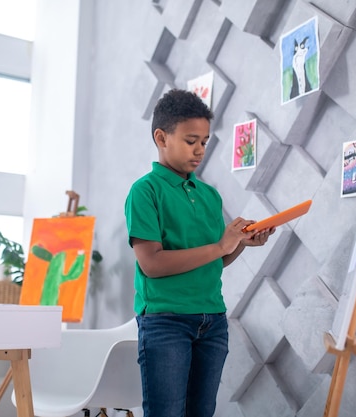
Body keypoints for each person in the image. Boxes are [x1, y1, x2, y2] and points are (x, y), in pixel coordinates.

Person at [124, 88, 275, 417]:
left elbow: (215, 261)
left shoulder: (209, 195)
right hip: (166, 322)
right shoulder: (145, 191)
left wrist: (238, 245)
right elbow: (151, 264)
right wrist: (221, 244)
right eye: (191, 140)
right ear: (161, 138)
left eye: (205, 141)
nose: (200, 150)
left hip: (212, 320)